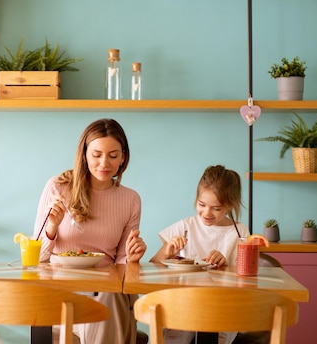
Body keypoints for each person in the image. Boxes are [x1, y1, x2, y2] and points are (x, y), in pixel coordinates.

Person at [33, 118, 147, 344]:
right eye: (96, 155)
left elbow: (123, 266)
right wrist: (52, 228)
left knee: (109, 296)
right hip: (63, 290)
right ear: (84, 154)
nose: (104, 163)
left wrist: (132, 258)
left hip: (106, 292)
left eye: (113, 155)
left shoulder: (130, 199)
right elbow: (34, 258)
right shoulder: (58, 187)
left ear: (123, 156)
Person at [149, 165, 251, 344]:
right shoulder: (185, 226)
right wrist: (167, 251)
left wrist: (226, 264)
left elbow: (247, 279)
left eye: (216, 208)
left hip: (223, 307)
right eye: (201, 205)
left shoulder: (239, 232)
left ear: (230, 205)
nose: (207, 213)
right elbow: (152, 267)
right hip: (184, 304)